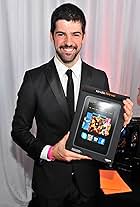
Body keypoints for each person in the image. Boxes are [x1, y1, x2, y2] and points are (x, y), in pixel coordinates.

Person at [11, 3, 133, 207]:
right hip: (50, 186)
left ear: (84, 36)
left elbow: (103, 133)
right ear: (52, 36)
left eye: (76, 34)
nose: (69, 42)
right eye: (61, 34)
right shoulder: (33, 79)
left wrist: (121, 123)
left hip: (89, 186)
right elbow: (18, 130)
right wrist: (49, 152)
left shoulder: (99, 78)